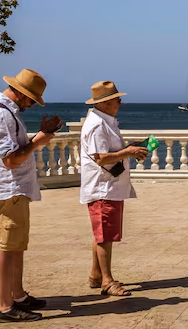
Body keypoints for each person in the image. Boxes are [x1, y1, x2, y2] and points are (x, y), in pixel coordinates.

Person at [0, 69, 63, 322]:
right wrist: (39, 139)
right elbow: (11, 159)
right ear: (21, 93)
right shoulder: (0, 115)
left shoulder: (5, 112)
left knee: (15, 246)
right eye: (31, 100)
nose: (31, 105)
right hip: (8, 188)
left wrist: (39, 134)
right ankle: (5, 307)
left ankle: (18, 295)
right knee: (7, 247)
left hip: (13, 189)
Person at [79, 81, 148, 297]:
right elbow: (100, 158)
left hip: (108, 186)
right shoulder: (98, 125)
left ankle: (96, 275)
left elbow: (108, 151)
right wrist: (128, 152)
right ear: (106, 102)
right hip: (103, 187)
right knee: (104, 235)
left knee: (103, 232)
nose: (120, 102)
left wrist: (129, 149)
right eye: (117, 99)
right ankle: (107, 281)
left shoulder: (105, 122)